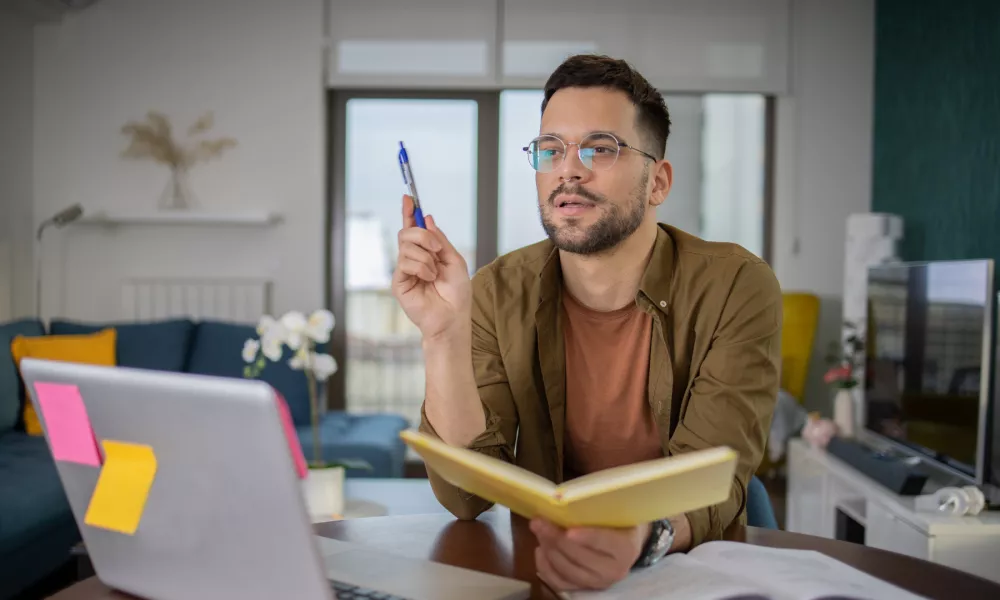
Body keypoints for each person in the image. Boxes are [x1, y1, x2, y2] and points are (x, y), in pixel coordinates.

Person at [391, 54, 782, 592]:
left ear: (658, 182)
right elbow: (465, 496)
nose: (568, 169)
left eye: (601, 148)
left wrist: (640, 540)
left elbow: (715, 477)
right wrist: (442, 335)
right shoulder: (495, 292)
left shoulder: (736, 285)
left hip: (686, 573)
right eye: (550, 150)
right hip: (549, 571)